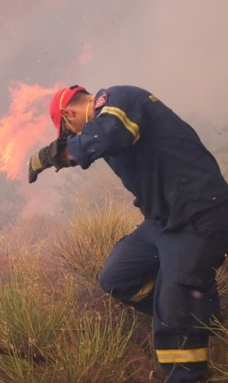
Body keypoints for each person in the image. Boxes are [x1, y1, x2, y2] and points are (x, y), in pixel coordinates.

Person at [29, 85, 228, 383]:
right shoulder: (105, 123)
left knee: (172, 314)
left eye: (70, 132)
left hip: (197, 216)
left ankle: (187, 372)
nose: (75, 138)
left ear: (69, 114)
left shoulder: (119, 100)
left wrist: (53, 155)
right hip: (162, 221)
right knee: (117, 278)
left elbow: (109, 135)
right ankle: (200, 315)